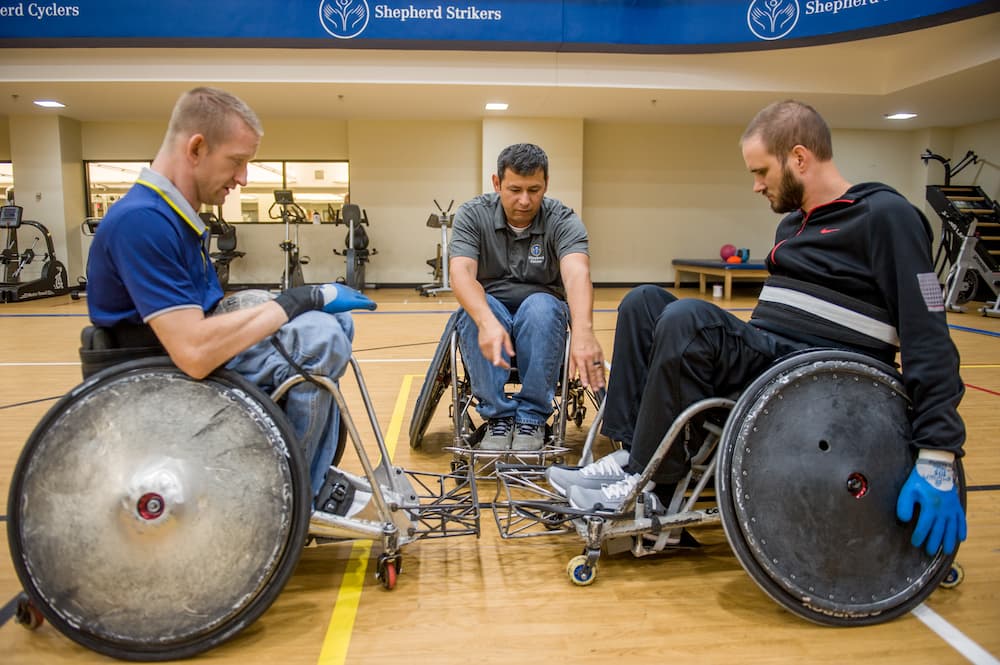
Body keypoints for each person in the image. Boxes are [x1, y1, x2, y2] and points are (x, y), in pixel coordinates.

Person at [548, 100, 967, 557]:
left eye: (762, 171)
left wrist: (938, 454)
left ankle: (653, 487)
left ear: (800, 159)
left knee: (689, 320)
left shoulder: (886, 216)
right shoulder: (793, 223)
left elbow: (927, 334)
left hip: (815, 381)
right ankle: (633, 456)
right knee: (643, 300)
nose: (756, 185)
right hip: (769, 355)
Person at [86, 86, 376, 517]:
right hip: (158, 381)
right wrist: (297, 300)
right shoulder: (143, 221)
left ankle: (307, 474)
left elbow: (206, 311)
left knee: (336, 325)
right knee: (319, 340)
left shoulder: (172, 214)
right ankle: (290, 502)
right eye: (238, 162)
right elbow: (195, 352)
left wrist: (298, 302)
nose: (242, 179)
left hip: (173, 358)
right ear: (197, 148)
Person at [449, 143, 605, 451]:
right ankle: (498, 418)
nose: (524, 200)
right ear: (497, 183)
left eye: (534, 190)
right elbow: (462, 274)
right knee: (478, 309)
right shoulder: (472, 214)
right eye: (515, 189)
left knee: (543, 306)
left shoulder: (562, 219)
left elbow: (576, 273)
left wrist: (585, 330)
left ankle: (532, 418)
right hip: (490, 306)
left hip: (541, 311)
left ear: (546, 184)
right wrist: (485, 320)